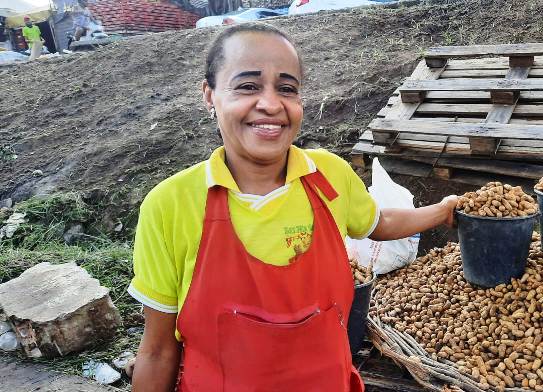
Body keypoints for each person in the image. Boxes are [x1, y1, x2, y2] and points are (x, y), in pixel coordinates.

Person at [128, 23, 459, 392]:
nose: (271, 104)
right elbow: (157, 351)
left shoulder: (329, 174)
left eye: (287, 88)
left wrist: (444, 210)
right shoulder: (169, 204)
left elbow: (378, 222)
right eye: (248, 86)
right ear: (210, 95)